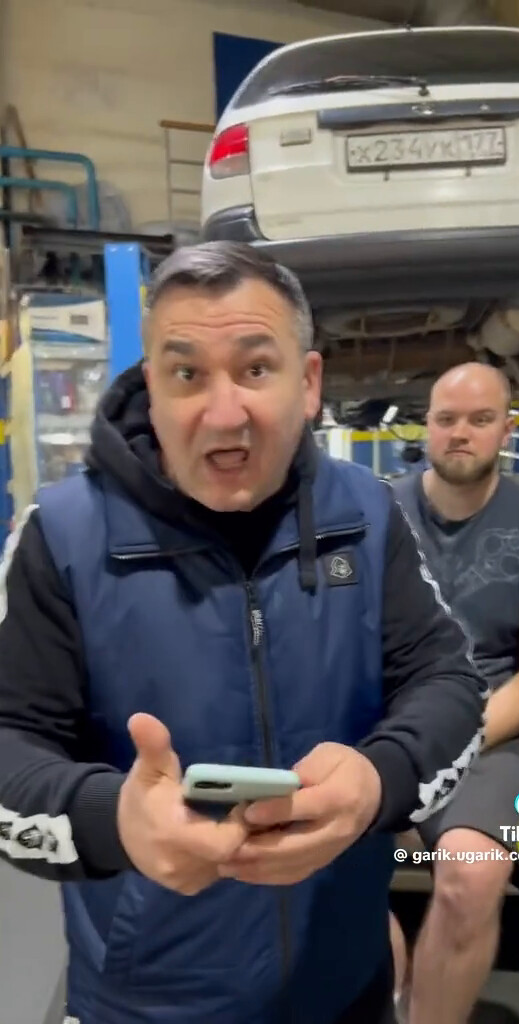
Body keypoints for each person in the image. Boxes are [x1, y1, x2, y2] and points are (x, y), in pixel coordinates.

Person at [0, 242, 486, 1024]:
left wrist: (378, 779)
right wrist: (113, 819)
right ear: (151, 387)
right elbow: (10, 742)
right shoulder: (62, 537)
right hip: (147, 1006)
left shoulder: (365, 515)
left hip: (343, 990)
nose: (224, 413)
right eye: (187, 374)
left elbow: (449, 682)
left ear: (309, 383)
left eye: (256, 369)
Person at [390, 362, 519, 1024]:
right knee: (333, 874)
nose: (460, 433)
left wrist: (449, 743)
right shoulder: (377, 514)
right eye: (446, 419)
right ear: (428, 427)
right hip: (385, 730)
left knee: (471, 873)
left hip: (501, 741)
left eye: (480, 419)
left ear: (507, 429)